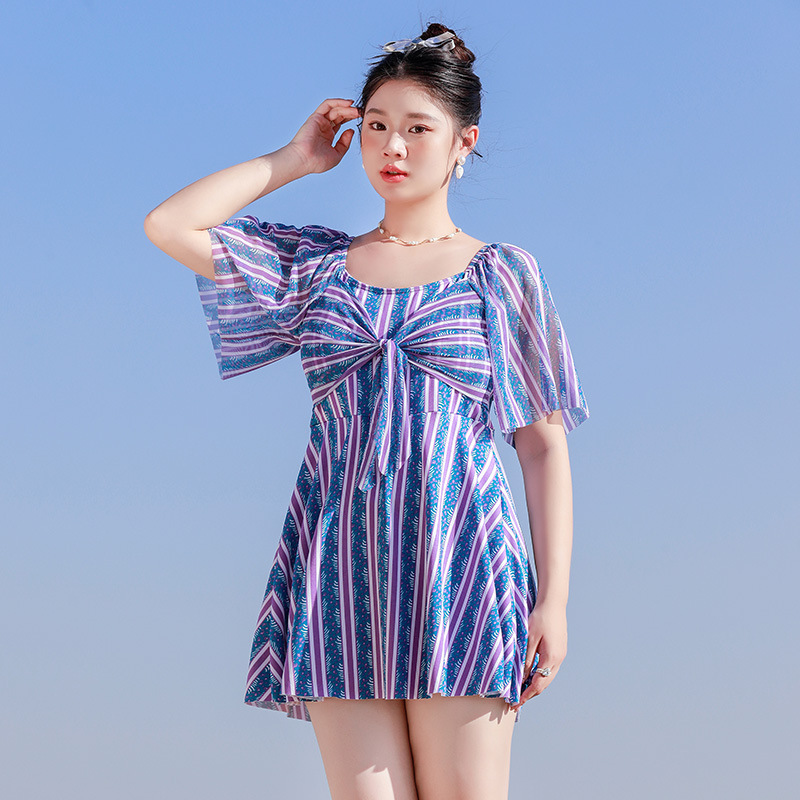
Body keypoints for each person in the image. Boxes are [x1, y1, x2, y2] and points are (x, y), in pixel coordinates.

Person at [144, 21, 589, 800]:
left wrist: (552, 600)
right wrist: (294, 159)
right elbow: (171, 225)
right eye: (378, 126)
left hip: (463, 564)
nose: (394, 146)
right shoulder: (317, 267)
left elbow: (542, 444)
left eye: (418, 129)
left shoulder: (501, 275)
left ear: (464, 142)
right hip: (340, 571)